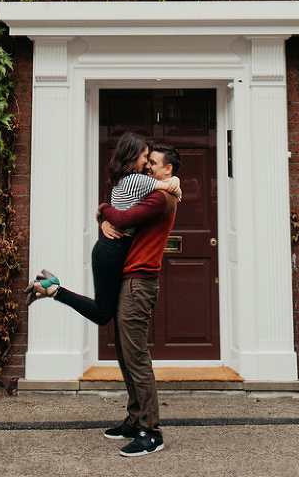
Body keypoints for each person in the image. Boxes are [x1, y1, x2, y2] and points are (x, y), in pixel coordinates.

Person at [25, 131, 180, 324]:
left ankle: (53, 289)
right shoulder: (137, 180)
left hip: (111, 249)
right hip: (113, 249)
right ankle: (53, 289)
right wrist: (176, 181)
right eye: (144, 157)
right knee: (103, 314)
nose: (146, 163)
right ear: (133, 157)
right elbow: (167, 185)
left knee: (108, 310)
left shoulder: (125, 180)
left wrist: (103, 214)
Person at [98, 144, 181, 458]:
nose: (148, 167)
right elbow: (122, 220)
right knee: (124, 352)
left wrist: (103, 212)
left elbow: (123, 218)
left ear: (168, 170)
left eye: (154, 163)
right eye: (148, 161)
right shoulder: (157, 192)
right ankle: (134, 420)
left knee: (136, 357)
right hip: (128, 279)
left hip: (140, 281)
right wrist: (106, 222)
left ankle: (150, 431)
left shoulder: (162, 197)